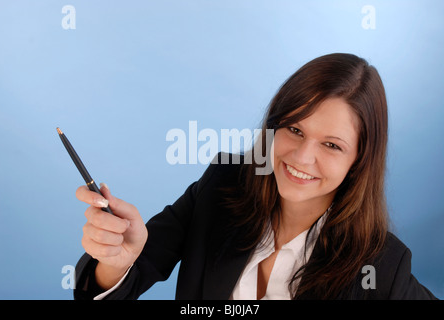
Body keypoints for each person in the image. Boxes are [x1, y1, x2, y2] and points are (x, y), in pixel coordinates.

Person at [73, 53, 437, 300]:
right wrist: (115, 263)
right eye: (294, 130)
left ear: (359, 160)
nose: (302, 157)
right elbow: (109, 284)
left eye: (331, 145)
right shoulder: (222, 185)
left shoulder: (383, 265)